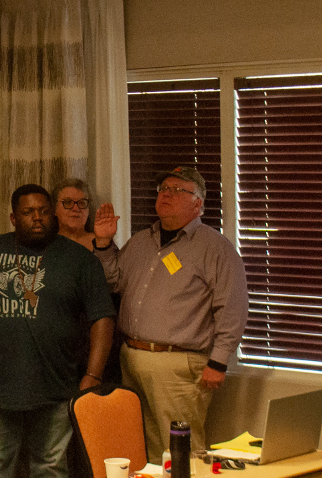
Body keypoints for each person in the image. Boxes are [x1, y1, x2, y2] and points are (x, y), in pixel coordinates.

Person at [0, 184, 115, 478]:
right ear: (13, 217)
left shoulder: (79, 259)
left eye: (42, 210)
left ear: (52, 214)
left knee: (51, 468)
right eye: (28, 212)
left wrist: (92, 375)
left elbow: (102, 318)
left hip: (56, 387)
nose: (36, 218)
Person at [93, 166, 248, 459]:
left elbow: (232, 307)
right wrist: (103, 243)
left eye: (178, 190)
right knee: (148, 452)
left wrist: (219, 361)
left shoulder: (215, 248)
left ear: (198, 203)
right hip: (133, 358)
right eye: (164, 189)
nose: (167, 194)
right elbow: (112, 281)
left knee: (181, 452)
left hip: (178, 365)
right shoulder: (140, 241)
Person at [51, 179, 96, 250]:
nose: (76, 208)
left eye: (82, 203)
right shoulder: (46, 243)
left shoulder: (100, 243)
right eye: (68, 202)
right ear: (54, 208)